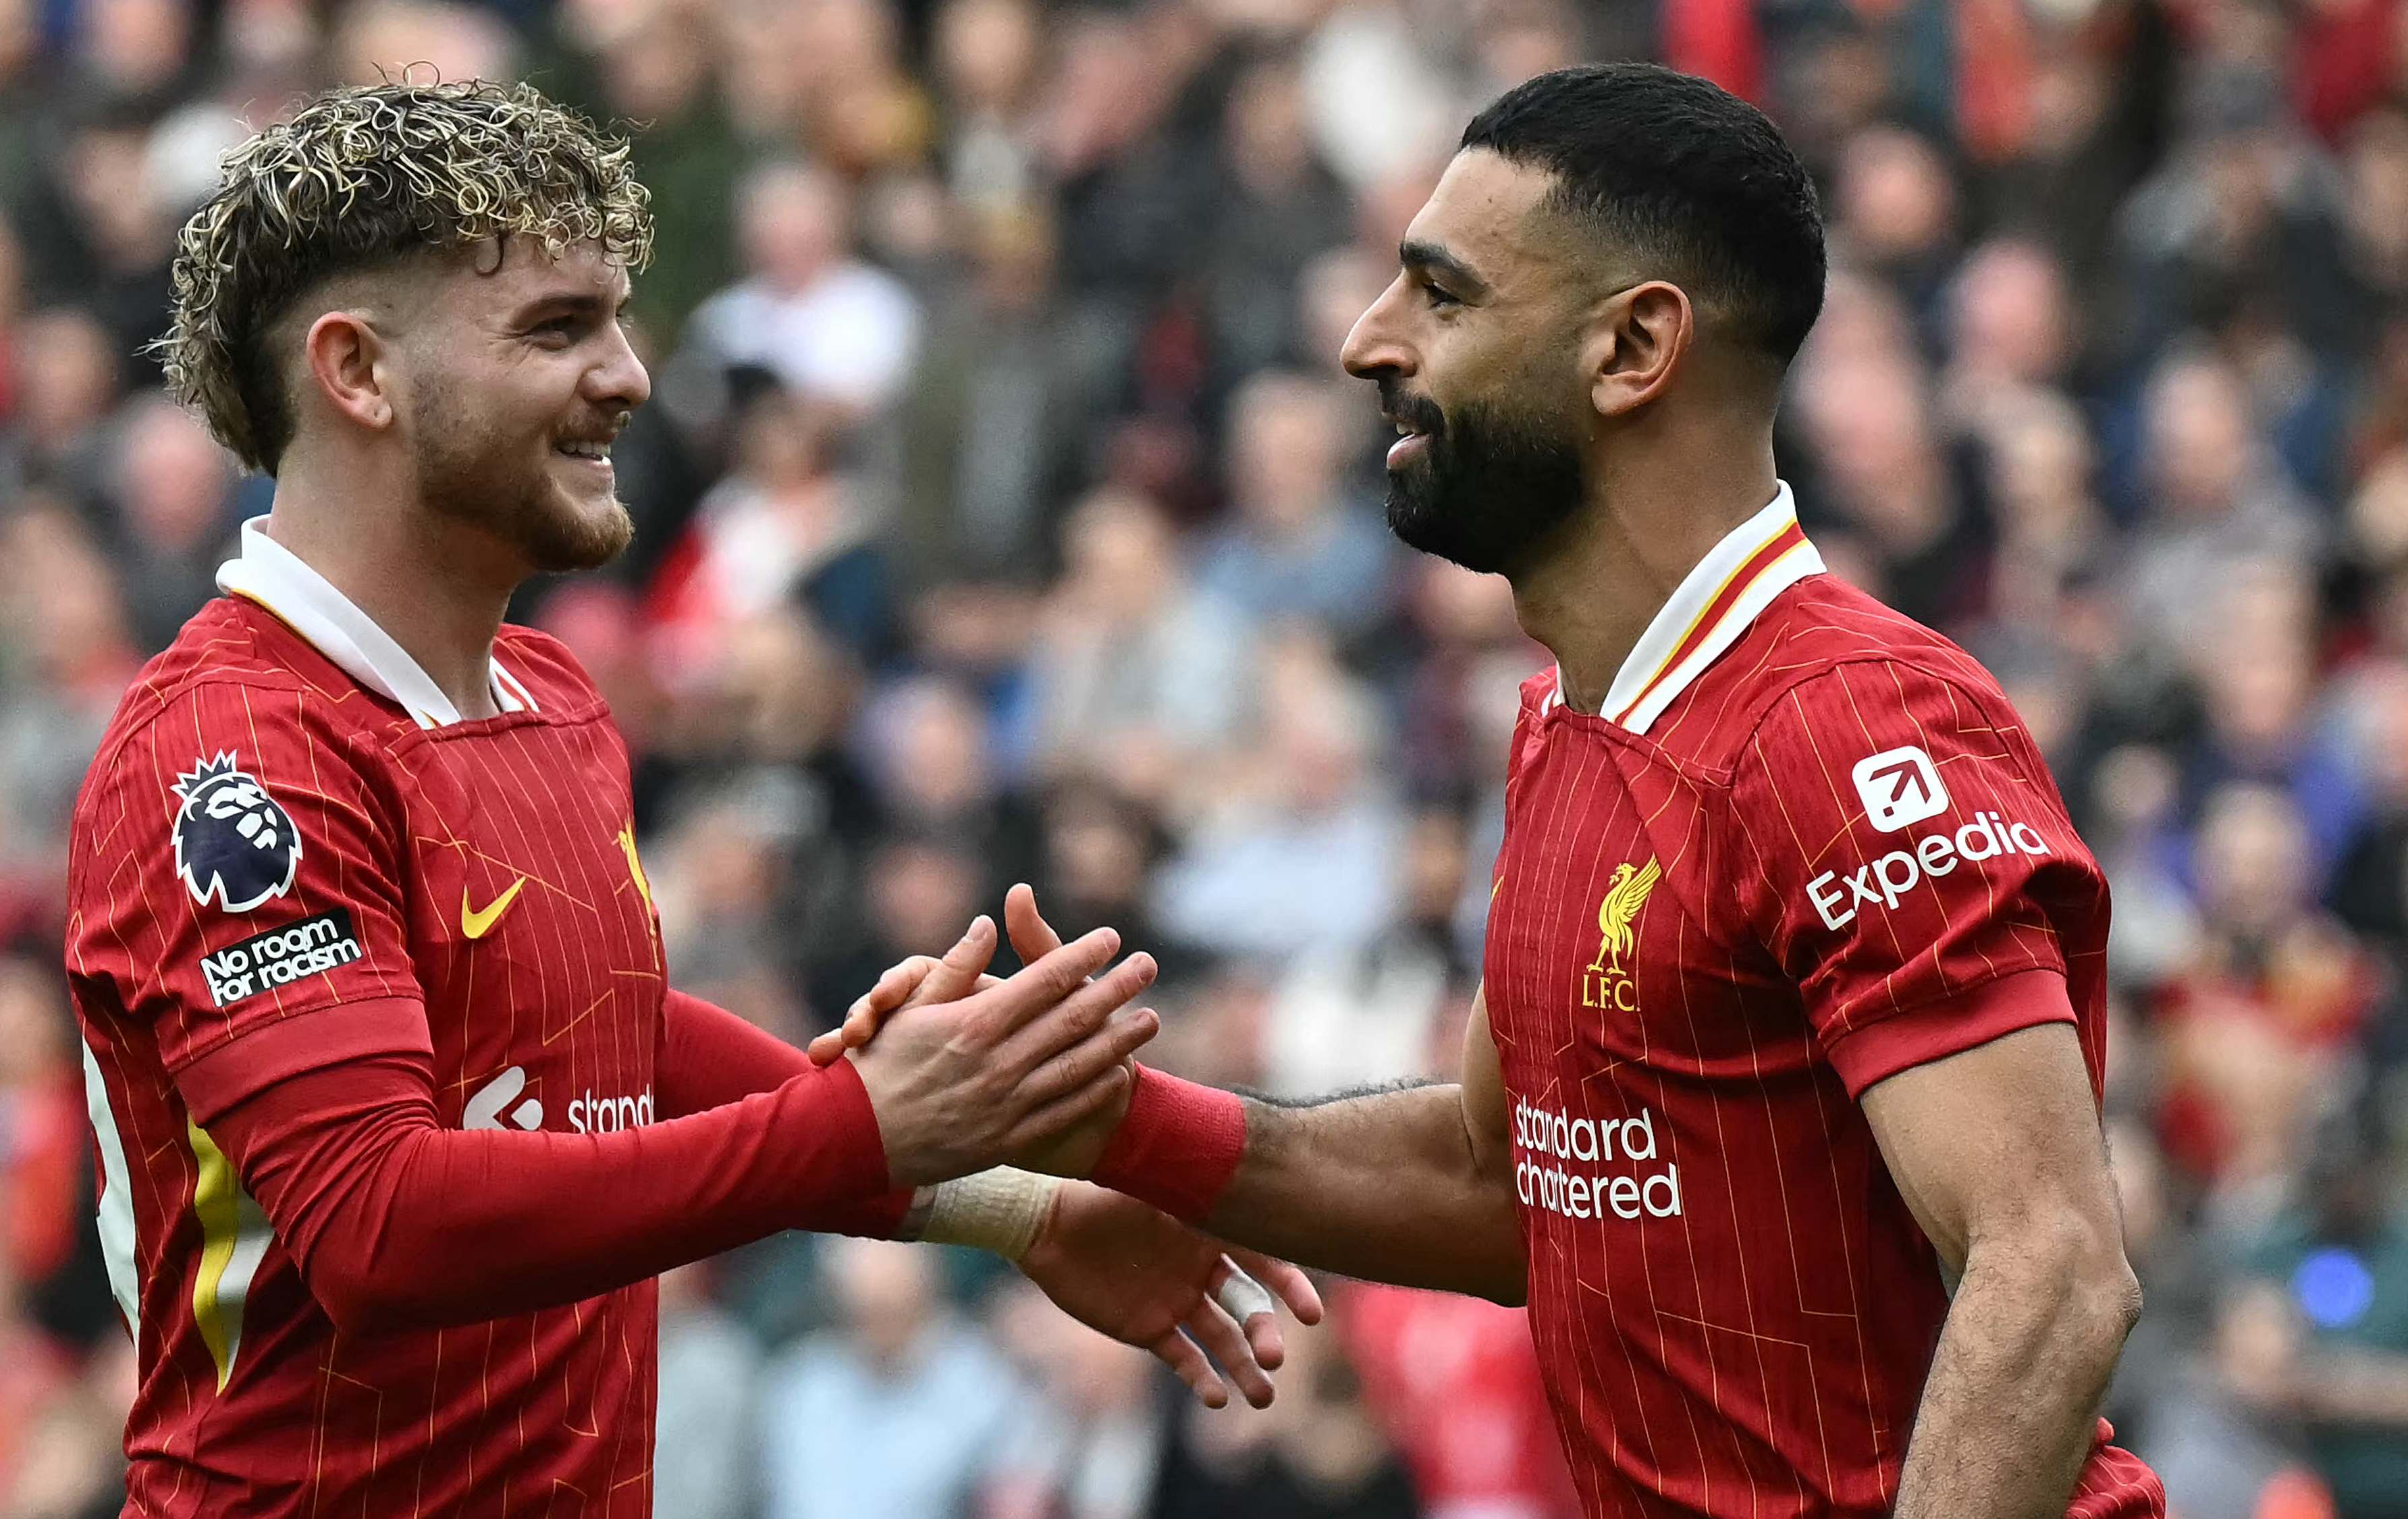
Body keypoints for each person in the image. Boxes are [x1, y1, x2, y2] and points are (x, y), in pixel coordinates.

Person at [829, 65, 2166, 1518]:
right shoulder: (1568, 725)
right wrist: (1102, 1123)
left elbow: (2048, 1273)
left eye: (1440, 295)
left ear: (1632, 347)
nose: (1362, 342)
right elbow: (1501, 1180)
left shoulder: (1849, 726)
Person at [61, 78, 1319, 1518]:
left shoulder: (549, 697)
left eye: (615, 318)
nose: (630, 375)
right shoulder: (231, 755)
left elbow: (607, 1036)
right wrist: (860, 1127)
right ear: (358, 372)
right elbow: (376, 1227)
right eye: (555, 328)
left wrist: (1009, 1203)